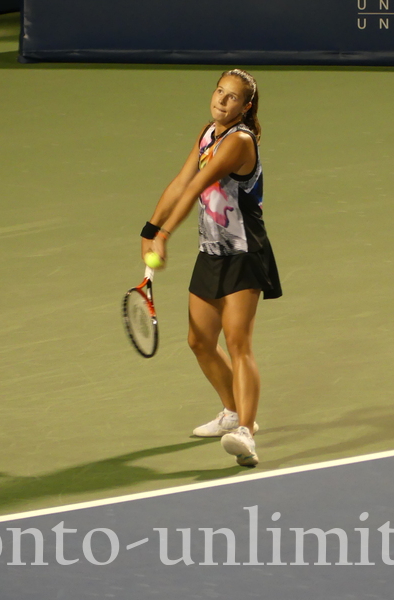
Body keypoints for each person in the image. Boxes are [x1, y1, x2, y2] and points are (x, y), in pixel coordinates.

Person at [140, 69, 281, 467]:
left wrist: (165, 234)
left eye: (232, 97)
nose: (221, 100)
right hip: (211, 251)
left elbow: (198, 185)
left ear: (246, 107)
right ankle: (231, 413)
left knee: (238, 343)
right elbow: (180, 179)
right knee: (199, 341)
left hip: (244, 253)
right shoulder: (209, 134)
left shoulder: (238, 142)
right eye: (219, 91)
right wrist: (149, 227)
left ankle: (246, 432)